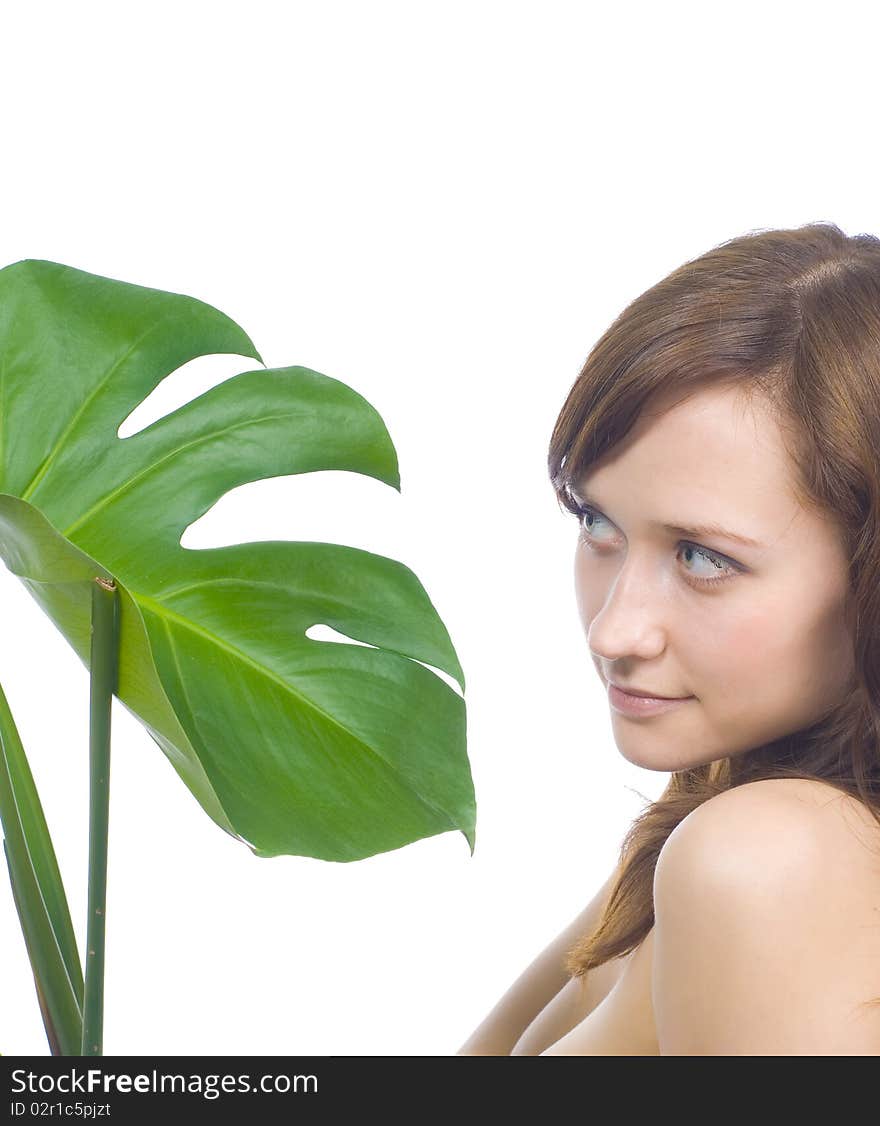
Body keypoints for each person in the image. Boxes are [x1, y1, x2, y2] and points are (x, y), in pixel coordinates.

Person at [457, 221, 880, 1056]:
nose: (614, 629)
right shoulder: (713, 799)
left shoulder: (769, 857)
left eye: (703, 557)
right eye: (597, 522)